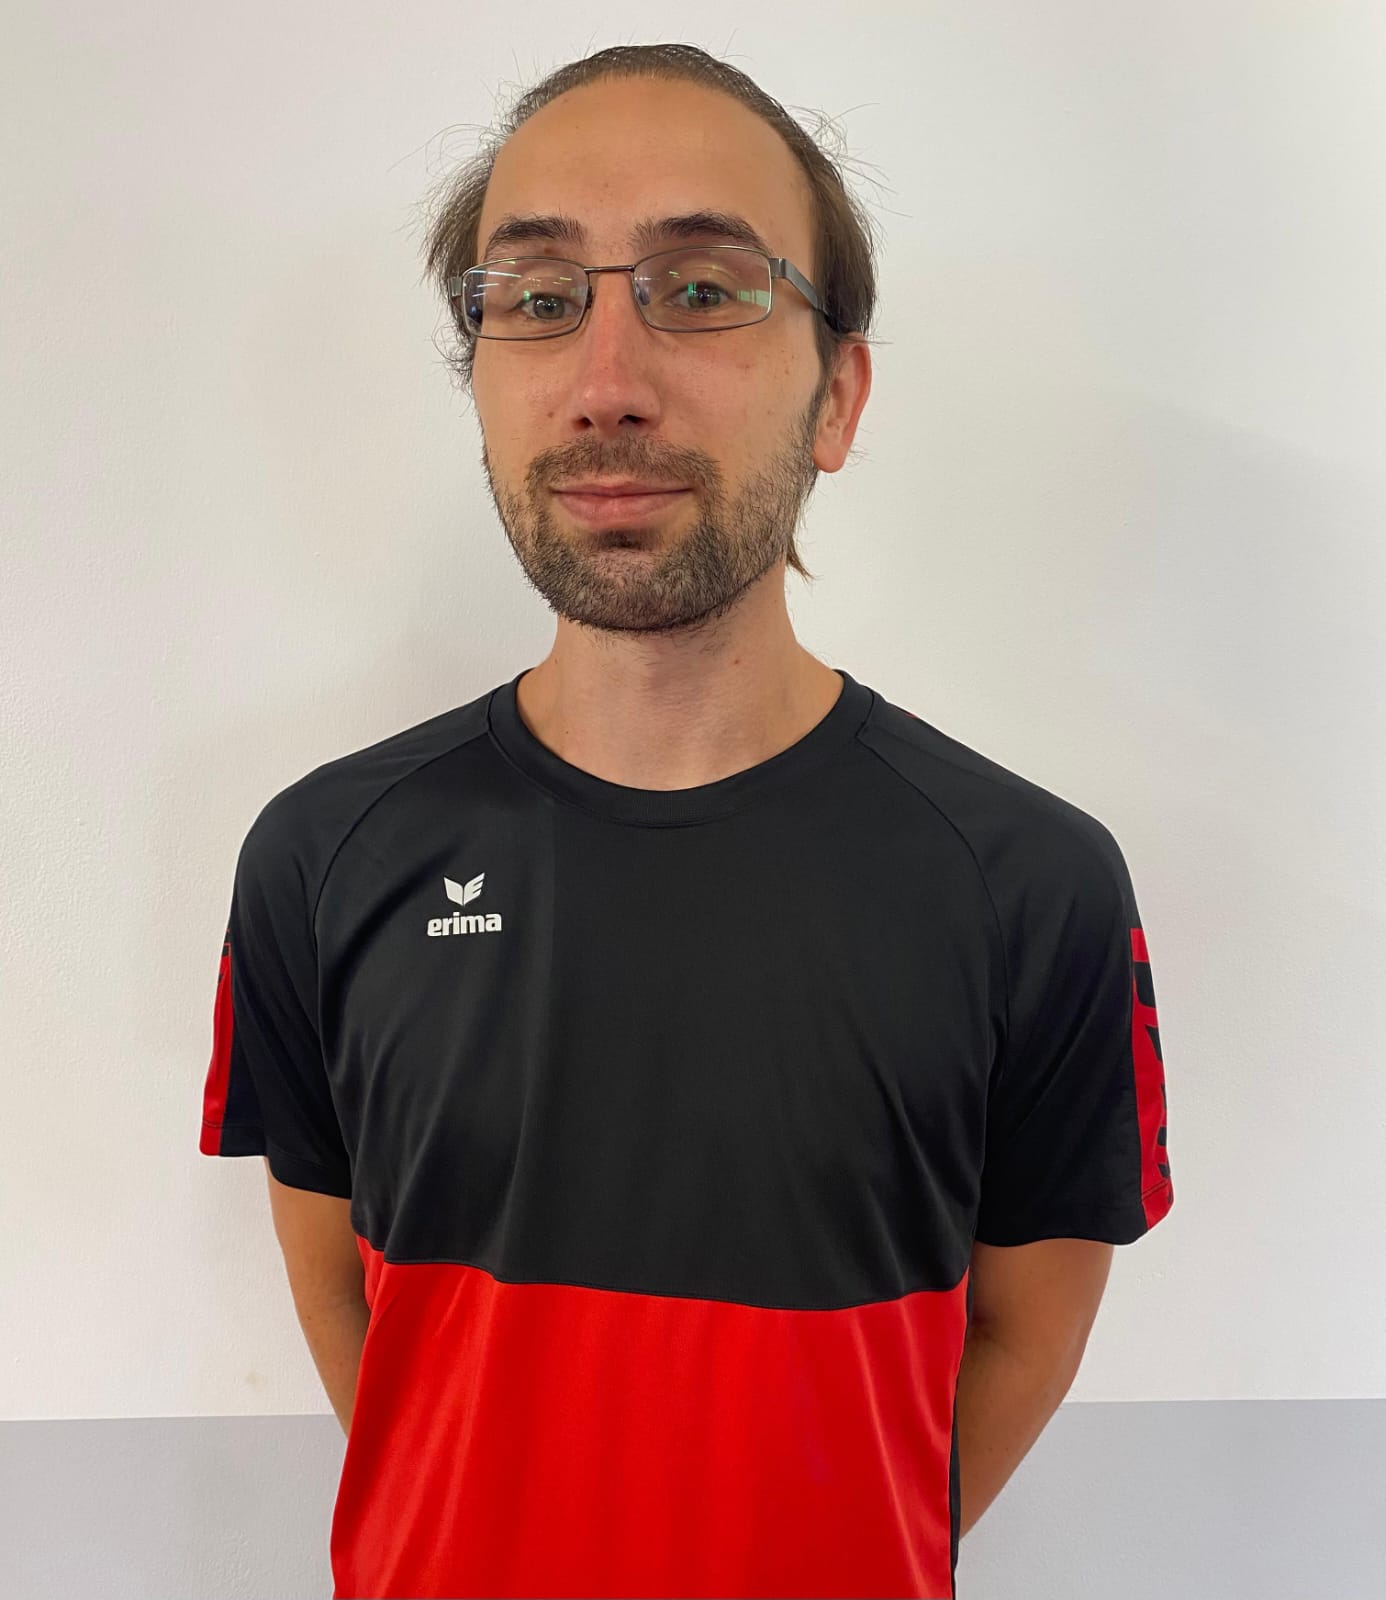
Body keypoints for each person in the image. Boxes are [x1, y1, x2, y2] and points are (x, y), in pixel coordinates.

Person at [199, 42, 1173, 1600]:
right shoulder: (323, 857)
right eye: (535, 298)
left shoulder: (1025, 885)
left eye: (702, 289)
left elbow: (1024, 1328)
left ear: (836, 395)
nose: (604, 383)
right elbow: (342, 1297)